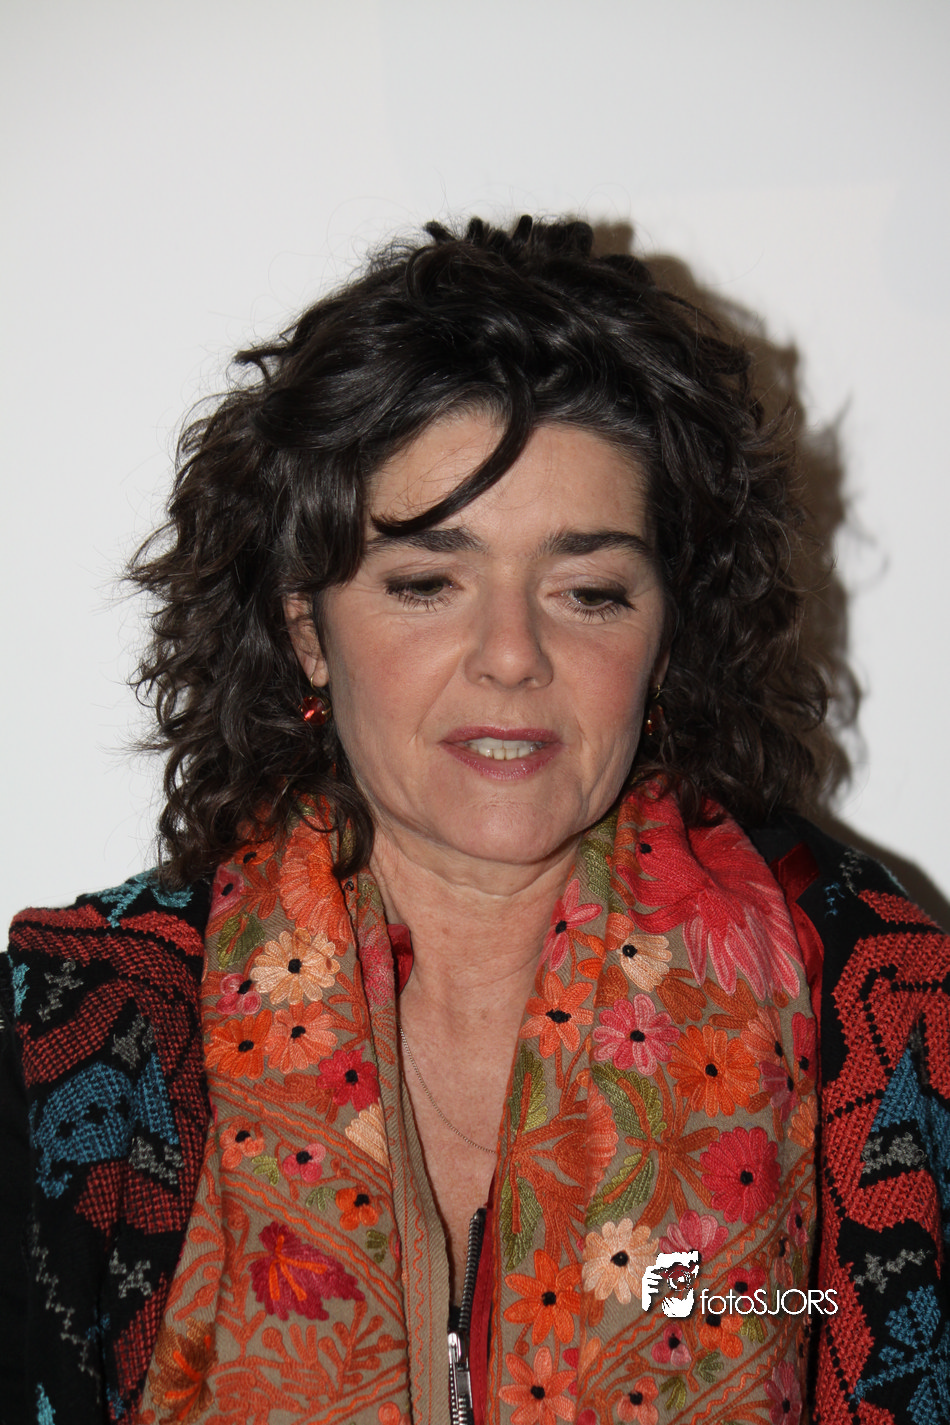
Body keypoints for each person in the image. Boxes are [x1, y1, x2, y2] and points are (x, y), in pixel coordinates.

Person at [2, 216, 947, 1425]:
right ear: (307, 630)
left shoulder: (876, 1000)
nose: (511, 655)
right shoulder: (83, 1035)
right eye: (425, 583)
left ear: (667, 640)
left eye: (587, 591)